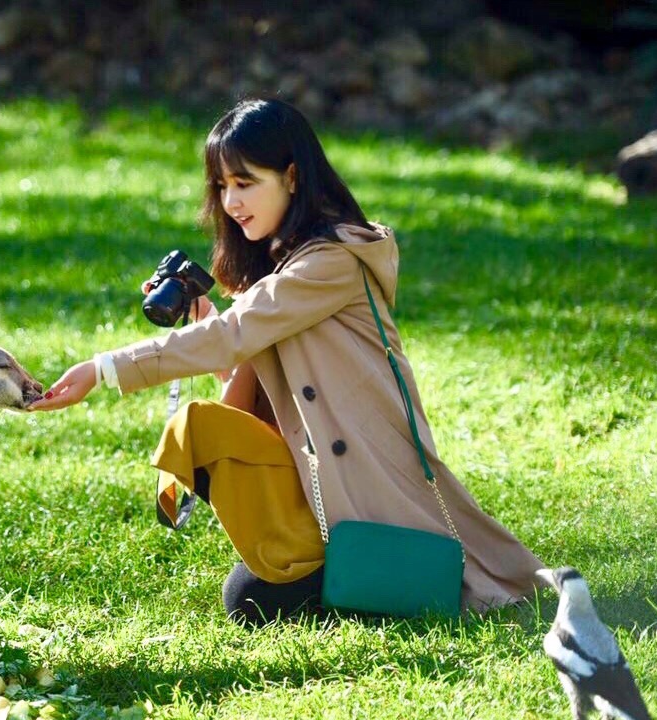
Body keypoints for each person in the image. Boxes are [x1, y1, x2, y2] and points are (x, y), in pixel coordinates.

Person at [26, 98, 543, 624]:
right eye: (222, 186)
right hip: (321, 485)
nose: (231, 201)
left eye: (245, 183)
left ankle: (392, 590)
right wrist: (206, 317)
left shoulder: (331, 260)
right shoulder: (285, 267)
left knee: (252, 599)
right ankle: (364, 587)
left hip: (370, 488)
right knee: (244, 575)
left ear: (292, 177)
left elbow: (234, 334)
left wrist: (104, 368)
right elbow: (244, 386)